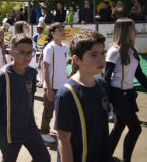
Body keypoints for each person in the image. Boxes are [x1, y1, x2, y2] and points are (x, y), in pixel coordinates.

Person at [0, 34, 50, 162]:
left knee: (44, 158)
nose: (27, 56)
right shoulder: (3, 75)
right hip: (10, 134)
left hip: (29, 129)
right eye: (22, 52)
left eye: (30, 53)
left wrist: (33, 123)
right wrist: (0, 140)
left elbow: (30, 102)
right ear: (11, 52)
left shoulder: (32, 73)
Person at [55, 29, 111, 161]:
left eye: (102, 53)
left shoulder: (102, 85)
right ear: (77, 60)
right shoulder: (67, 94)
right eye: (93, 55)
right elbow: (63, 140)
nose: (101, 59)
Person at [104, 18, 147, 162]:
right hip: (117, 94)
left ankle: (105, 156)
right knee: (136, 128)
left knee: (119, 127)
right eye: (133, 28)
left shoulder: (132, 50)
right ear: (125, 31)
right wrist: (107, 102)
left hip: (128, 94)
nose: (136, 31)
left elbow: (139, 75)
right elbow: (106, 78)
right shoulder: (114, 51)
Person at [40, 22, 68, 144]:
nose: (62, 32)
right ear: (52, 33)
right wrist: (48, 88)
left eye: (63, 30)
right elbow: (45, 68)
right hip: (52, 86)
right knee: (48, 111)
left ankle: (58, 130)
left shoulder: (65, 47)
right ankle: (44, 132)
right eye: (59, 30)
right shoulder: (49, 48)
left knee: (61, 111)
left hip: (63, 86)